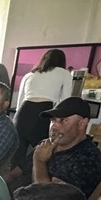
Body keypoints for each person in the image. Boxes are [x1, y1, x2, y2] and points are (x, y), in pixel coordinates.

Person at [24, 96, 101, 199]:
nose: (54, 126)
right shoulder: (46, 145)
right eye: (53, 120)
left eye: (63, 120)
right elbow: (14, 174)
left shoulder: (87, 158)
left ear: (82, 124)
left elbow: (47, 199)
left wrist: (39, 162)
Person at [11, 48, 73, 178]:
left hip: (23, 112)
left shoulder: (29, 74)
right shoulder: (64, 73)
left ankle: (11, 184)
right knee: (43, 153)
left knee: (17, 155)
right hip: (43, 112)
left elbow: (19, 101)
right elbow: (66, 101)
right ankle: (36, 182)